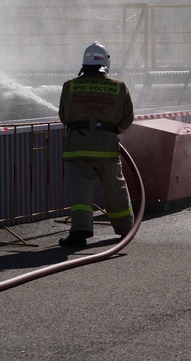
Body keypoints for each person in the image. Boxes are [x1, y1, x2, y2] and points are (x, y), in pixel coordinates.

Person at [58, 41, 135, 248]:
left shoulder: (70, 86)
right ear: (105, 62)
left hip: (78, 148)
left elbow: (64, 117)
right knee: (115, 188)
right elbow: (128, 118)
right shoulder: (119, 87)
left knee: (81, 192)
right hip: (107, 147)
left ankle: (80, 233)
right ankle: (125, 229)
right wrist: (110, 132)